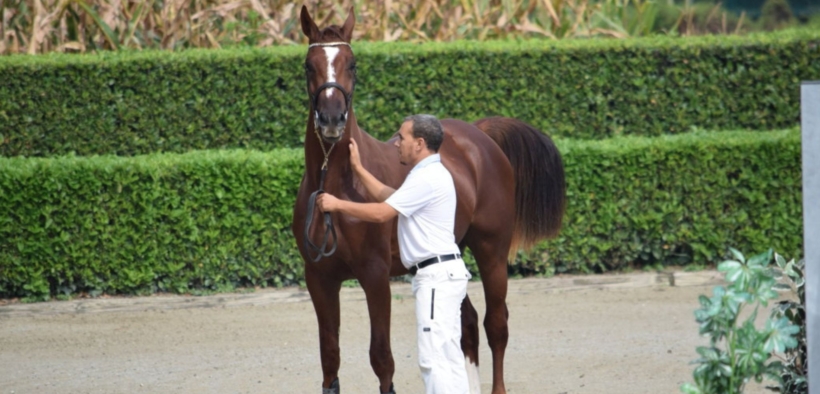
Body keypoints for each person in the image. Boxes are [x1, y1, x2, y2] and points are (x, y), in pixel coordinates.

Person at [316, 114, 472, 394]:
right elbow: (391, 196)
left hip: (435, 278)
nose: (396, 143)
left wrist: (337, 204)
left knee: (433, 361)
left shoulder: (427, 178)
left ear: (420, 143)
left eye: (402, 137)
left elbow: (382, 213)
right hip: (444, 275)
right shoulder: (428, 174)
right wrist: (360, 170)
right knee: (449, 357)